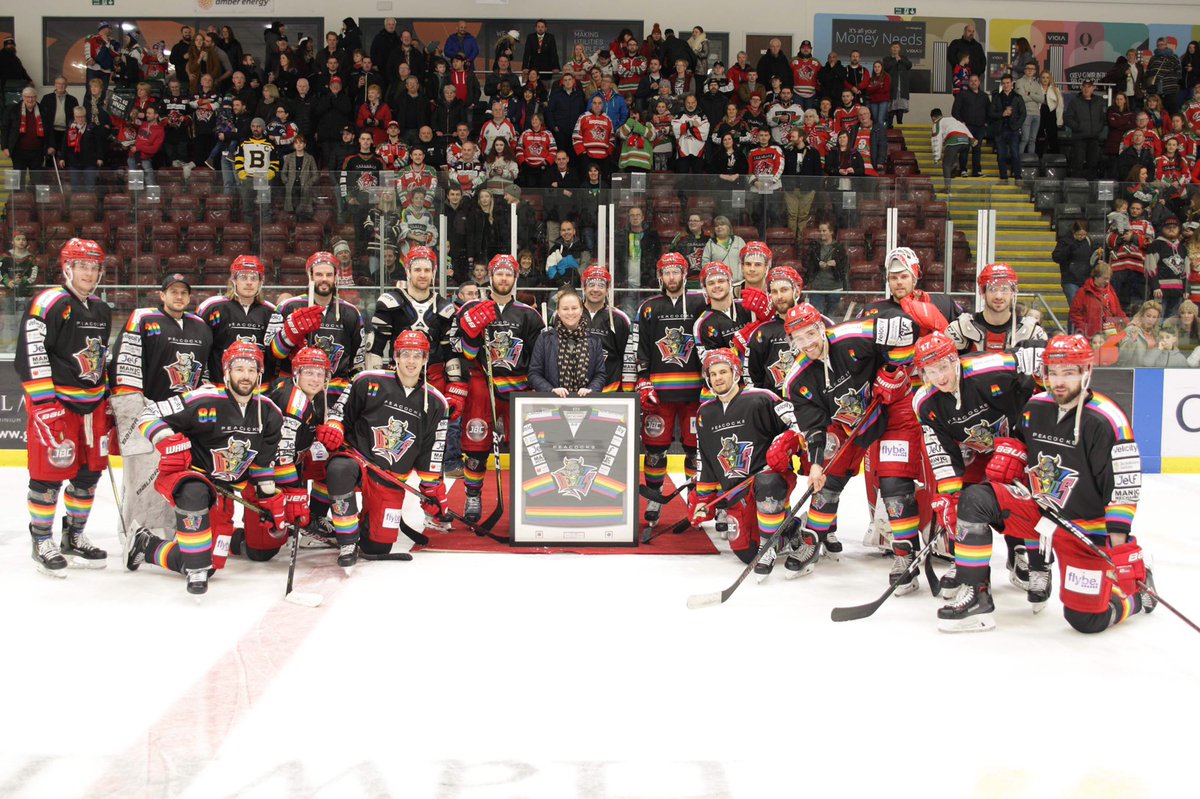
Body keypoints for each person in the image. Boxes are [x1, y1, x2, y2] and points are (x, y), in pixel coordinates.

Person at [960, 335, 1156, 633]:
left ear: (1086, 372)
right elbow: (1021, 442)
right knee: (976, 498)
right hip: (1040, 513)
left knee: (1086, 620)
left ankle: (1136, 597)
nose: (1059, 381)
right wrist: (1010, 454)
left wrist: (1119, 545)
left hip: (1085, 527)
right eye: (1053, 372)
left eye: (1069, 372)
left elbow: (1123, 487)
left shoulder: (1107, 420)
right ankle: (976, 596)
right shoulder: (1034, 407)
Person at [124, 343, 284, 594]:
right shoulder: (204, 398)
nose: (245, 376)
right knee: (196, 550)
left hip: (224, 491)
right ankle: (184, 559)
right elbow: (149, 413)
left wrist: (270, 501)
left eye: (252, 370)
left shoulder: (270, 413)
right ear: (227, 371)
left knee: (216, 561)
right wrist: (166, 439)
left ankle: (145, 544)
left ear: (259, 373)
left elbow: (263, 464)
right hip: (189, 476)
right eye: (239, 369)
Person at [776, 298, 919, 579]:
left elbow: (907, 329)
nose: (806, 344)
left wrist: (892, 369)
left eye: (810, 333)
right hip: (848, 423)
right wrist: (815, 465)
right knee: (827, 477)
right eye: (798, 339)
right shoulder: (797, 380)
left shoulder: (855, 334)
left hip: (892, 410)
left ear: (821, 327)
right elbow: (814, 426)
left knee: (893, 483)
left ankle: (906, 554)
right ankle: (813, 540)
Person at [912, 331, 1043, 605]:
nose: (939, 377)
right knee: (963, 504)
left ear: (954, 359)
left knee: (1026, 497)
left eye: (944, 367)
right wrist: (948, 496)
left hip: (1018, 445)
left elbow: (1040, 355)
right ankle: (970, 567)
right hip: (974, 453)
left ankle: (1032, 560)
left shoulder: (991, 368)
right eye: (930, 371)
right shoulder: (925, 402)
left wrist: (1024, 440)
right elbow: (942, 453)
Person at [16, 240, 113, 576]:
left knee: (88, 477)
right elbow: (32, 352)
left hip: (92, 407)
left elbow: (100, 358)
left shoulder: (100, 307)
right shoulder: (48, 302)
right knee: (48, 476)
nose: (89, 273)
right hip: (57, 406)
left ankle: (75, 536)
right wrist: (43, 402)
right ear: (67, 268)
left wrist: (107, 396)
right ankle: (42, 539)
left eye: (94, 267)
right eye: (82, 266)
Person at [109, 272, 214, 541]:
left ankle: (176, 529)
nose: (179, 297)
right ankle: (135, 534)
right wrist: (134, 412)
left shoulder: (201, 326)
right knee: (142, 478)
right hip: (150, 413)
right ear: (162, 294)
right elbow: (125, 367)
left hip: (185, 415)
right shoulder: (143, 318)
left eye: (183, 292)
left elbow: (205, 374)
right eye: (173, 291)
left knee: (178, 475)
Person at [690, 347, 804, 569]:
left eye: (723, 372)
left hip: (768, 478)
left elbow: (797, 426)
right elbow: (704, 457)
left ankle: (768, 546)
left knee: (767, 483)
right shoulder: (705, 413)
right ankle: (791, 528)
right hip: (736, 490)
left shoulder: (761, 398)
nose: (718, 378)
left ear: (735, 373)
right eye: (713, 374)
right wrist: (702, 497)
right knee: (745, 552)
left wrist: (788, 442)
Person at [450, 254, 544, 521]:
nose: (504, 278)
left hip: (520, 388)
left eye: (509, 274)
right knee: (476, 445)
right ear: (490, 276)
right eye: (499, 274)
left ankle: (527, 498)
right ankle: (472, 496)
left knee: (525, 449)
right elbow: (459, 351)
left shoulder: (529, 314)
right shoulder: (468, 309)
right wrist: (470, 334)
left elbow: (540, 354)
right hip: (483, 384)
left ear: (515, 278)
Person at [628, 253, 703, 525]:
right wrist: (642, 378)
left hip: (695, 393)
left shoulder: (700, 303)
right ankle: (654, 496)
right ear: (660, 276)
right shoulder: (649, 307)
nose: (672, 278)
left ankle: (697, 500)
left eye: (676, 272)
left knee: (695, 451)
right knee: (655, 450)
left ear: (685, 275)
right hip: (659, 394)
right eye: (666, 273)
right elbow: (641, 346)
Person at [946, 264, 1047, 355]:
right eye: (992, 289)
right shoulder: (960, 328)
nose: (999, 296)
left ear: (1013, 292)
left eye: (1004, 289)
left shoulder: (1032, 331)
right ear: (982, 292)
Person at [529, 290, 607, 397]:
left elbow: (600, 374)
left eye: (574, 308)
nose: (570, 312)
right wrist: (551, 390)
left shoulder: (594, 341)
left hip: (585, 404)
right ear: (558, 312)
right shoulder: (544, 339)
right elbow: (534, 374)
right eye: (565, 309)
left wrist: (591, 389)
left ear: (581, 311)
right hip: (553, 404)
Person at [578, 266, 632, 392]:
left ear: (607, 289)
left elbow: (627, 356)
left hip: (609, 390)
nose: (596, 289)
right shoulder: (568, 314)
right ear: (584, 287)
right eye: (591, 284)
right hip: (573, 391)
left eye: (601, 285)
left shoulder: (620, 318)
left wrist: (628, 388)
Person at [1069, 262, 1127, 339]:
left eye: (1109, 278)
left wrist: (1125, 322)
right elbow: (1075, 313)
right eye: (1105, 278)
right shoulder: (1083, 292)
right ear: (1096, 277)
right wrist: (1084, 328)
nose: (1107, 281)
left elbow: (1118, 311)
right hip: (1091, 334)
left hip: (1110, 330)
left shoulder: (1111, 291)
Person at [1145, 217, 1189, 319]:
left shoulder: (1183, 248)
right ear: (1162, 229)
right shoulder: (1155, 245)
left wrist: (1187, 289)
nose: (1171, 229)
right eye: (1168, 227)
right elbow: (1150, 267)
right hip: (1160, 291)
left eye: (1174, 227)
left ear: (1179, 230)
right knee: (1157, 319)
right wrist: (1155, 286)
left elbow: (1186, 271)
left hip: (1179, 292)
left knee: (1172, 322)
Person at [1065, 80, 1106, 179]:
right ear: (1081, 88)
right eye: (1084, 86)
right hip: (1079, 138)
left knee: (1093, 163)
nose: (1086, 88)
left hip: (1094, 138)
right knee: (1078, 163)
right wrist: (1079, 127)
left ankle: (1091, 188)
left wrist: (1097, 129)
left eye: (1089, 86)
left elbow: (1102, 117)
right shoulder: (1075, 101)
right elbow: (1068, 118)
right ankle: (1076, 187)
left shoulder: (1099, 101)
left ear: (1093, 88)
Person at [804, 221, 847, 317]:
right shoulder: (814, 247)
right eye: (820, 231)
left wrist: (837, 263)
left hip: (834, 288)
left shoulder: (839, 247)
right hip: (817, 288)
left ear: (831, 232)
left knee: (832, 317)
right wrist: (817, 263)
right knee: (816, 317)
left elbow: (846, 266)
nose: (822, 233)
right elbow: (806, 262)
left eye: (824, 231)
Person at [930, 107, 974, 194]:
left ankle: (947, 188)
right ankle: (956, 166)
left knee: (946, 164)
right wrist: (972, 139)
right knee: (953, 154)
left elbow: (936, 140)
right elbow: (963, 126)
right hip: (965, 141)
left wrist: (936, 157)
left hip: (953, 140)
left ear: (933, 117)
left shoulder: (937, 123)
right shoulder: (952, 119)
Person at [990, 74, 1025, 182]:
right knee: (1001, 155)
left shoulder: (1018, 97)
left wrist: (1016, 126)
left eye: (1008, 83)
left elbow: (1023, 114)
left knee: (1015, 153)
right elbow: (991, 113)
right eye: (1004, 83)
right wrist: (1002, 114)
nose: (1006, 85)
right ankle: (1003, 176)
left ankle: (1017, 175)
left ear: (1012, 84)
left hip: (1013, 130)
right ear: (1001, 84)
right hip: (1000, 130)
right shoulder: (996, 97)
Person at [1117, 300, 1162, 364]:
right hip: (1134, 371)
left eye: (1154, 317)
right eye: (1148, 316)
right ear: (1142, 315)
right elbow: (1122, 358)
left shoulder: (1156, 333)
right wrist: (1132, 340)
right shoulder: (1131, 329)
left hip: (1152, 371)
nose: (1151, 320)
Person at [882, 43, 913, 126]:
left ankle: (900, 123)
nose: (895, 49)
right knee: (891, 107)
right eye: (893, 47)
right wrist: (895, 60)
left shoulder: (903, 58)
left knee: (901, 107)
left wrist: (900, 59)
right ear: (890, 49)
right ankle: (890, 124)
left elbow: (909, 65)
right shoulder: (886, 59)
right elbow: (886, 67)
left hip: (902, 87)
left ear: (899, 49)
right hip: (892, 87)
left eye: (897, 47)